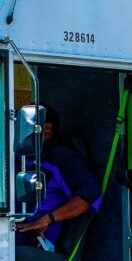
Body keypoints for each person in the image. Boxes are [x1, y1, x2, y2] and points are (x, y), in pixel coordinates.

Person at [15, 106, 102, 250]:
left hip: (33, 236)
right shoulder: (20, 157)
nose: (16, 132)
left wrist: (47, 219)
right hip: (7, 226)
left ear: (47, 129)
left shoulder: (60, 157)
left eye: (22, 126)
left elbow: (89, 195)